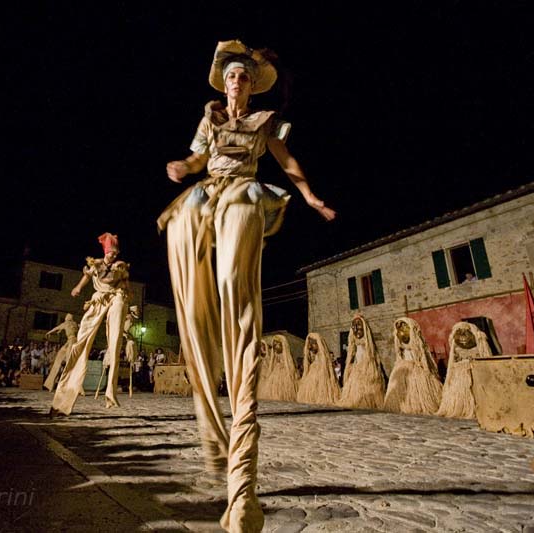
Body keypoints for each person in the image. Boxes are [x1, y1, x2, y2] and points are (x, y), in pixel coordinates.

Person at [157, 40, 336, 532]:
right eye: (231, 76)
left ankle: (241, 479)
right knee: (179, 234)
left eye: (243, 77)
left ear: (252, 87)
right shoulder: (210, 119)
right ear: (225, 84)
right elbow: (198, 160)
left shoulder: (264, 124)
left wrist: (311, 196)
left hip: (242, 194)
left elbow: (288, 161)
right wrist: (182, 167)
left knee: (234, 276)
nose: (236, 83)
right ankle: (205, 385)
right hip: (205, 193)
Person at [49, 233, 130, 415]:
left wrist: (126, 292)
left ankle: (111, 391)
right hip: (99, 300)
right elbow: (87, 277)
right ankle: (63, 399)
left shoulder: (120, 266)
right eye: (111, 252)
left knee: (116, 341)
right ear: (106, 251)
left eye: (116, 253)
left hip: (116, 298)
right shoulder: (97, 264)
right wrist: (78, 287)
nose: (114, 256)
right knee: (81, 343)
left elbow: (125, 282)